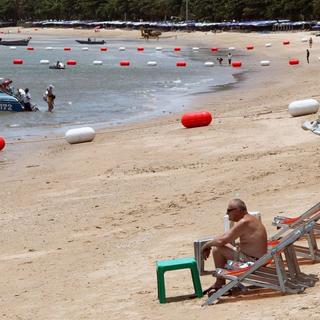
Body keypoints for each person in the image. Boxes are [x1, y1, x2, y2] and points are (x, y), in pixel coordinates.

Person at [201, 199, 267, 294]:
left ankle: (220, 283)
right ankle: (220, 282)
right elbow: (224, 237)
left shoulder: (244, 222)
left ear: (238, 210)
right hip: (257, 260)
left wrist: (206, 246)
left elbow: (221, 240)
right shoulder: (249, 219)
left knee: (217, 249)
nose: (226, 213)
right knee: (220, 245)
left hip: (252, 263)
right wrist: (212, 243)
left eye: (229, 210)